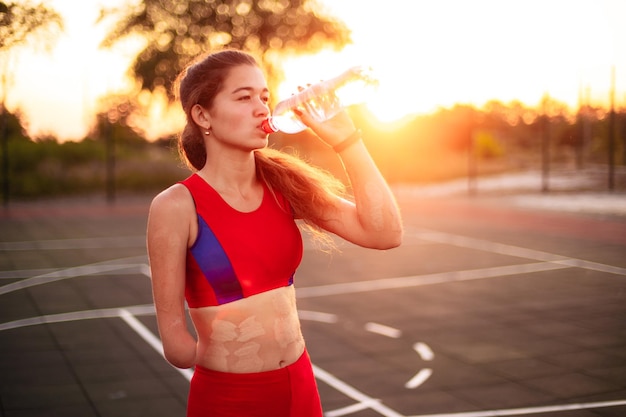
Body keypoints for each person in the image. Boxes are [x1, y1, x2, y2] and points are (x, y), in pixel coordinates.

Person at [146, 49, 403, 417]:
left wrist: (347, 140)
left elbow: (385, 233)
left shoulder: (284, 185)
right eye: (244, 97)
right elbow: (176, 347)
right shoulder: (176, 206)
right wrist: (228, 354)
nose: (262, 108)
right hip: (229, 400)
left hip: (300, 389)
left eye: (265, 97)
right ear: (203, 115)